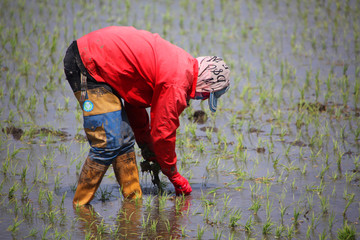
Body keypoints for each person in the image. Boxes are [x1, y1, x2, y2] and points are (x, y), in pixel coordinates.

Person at [63, 26, 230, 205]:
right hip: (87, 64)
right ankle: (79, 208)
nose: (200, 98)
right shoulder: (177, 83)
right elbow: (163, 133)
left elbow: (134, 104)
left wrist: (147, 148)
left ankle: (133, 204)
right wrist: (174, 175)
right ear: (206, 83)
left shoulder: (182, 65)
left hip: (98, 59)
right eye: (205, 95)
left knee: (125, 139)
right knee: (107, 142)